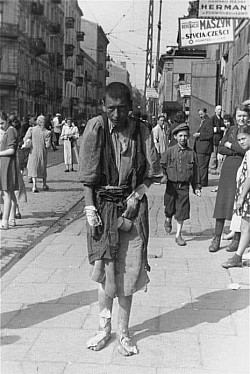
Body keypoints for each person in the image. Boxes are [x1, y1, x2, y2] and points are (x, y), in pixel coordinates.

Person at [78, 82, 160, 356]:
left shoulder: (142, 131)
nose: (116, 114)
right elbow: (88, 177)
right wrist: (90, 209)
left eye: (121, 108)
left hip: (133, 209)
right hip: (102, 208)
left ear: (131, 108)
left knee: (130, 271)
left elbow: (152, 173)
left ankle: (124, 332)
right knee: (105, 274)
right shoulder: (96, 128)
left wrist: (138, 195)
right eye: (110, 108)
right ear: (103, 106)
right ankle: (104, 329)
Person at [209, 104, 250, 253]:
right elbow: (220, 147)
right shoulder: (231, 130)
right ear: (235, 117)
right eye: (239, 115)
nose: (241, 118)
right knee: (222, 203)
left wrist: (230, 146)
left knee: (238, 204)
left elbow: (245, 148)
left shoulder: (249, 130)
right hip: (227, 170)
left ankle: (236, 239)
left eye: (244, 115)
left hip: (242, 169)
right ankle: (216, 238)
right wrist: (233, 147)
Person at [160, 123, 201, 246]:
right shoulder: (170, 151)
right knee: (169, 208)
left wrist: (197, 187)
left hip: (184, 187)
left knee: (182, 211)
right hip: (171, 186)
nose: (183, 138)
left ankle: (178, 235)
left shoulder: (191, 153)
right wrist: (164, 176)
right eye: (180, 136)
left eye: (185, 136)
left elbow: (196, 172)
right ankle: (168, 219)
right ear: (175, 137)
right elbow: (162, 165)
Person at [222, 124, 250, 268]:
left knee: (245, 227)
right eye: (239, 140)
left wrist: (241, 197)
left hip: (248, 197)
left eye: (244, 138)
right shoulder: (247, 153)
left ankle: (237, 257)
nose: (241, 142)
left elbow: (249, 177)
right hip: (245, 196)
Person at [0, 111, 19, 230]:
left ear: (7, 121)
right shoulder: (8, 131)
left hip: (7, 164)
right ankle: (12, 218)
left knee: (6, 194)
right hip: (5, 164)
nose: (0, 126)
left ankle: (4, 221)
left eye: (2, 123)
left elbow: (11, 150)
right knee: (10, 194)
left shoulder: (11, 131)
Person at [23, 115, 51, 193]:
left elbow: (25, 138)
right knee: (43, 168)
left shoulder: (31, 130)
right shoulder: (47, 132)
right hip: (42, 152)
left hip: (33, 152)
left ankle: (34, 186)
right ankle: (44, 184)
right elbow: (47, 145)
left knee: (33, 167)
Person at [193, 108, 214, 187]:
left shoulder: (208, 122)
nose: (200, 116)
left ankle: (202, 182)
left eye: (201, 114)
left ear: (205, 113)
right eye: (199, 114)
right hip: (201, 148)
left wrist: (199, 135)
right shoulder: (204, 121)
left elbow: (210, 134)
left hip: (204, 148)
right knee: (201, 165)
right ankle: (202, 181)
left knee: (202, 166)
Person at [208, 105, 224, 174]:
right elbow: (211, 129)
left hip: (220, 139)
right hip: (214, 139)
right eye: (218, 109)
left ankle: (218, 169)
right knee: (214, 155)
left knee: (219, 155)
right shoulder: (212, 119)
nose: (220, 111)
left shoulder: (221, 119)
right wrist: (220, 129)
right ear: (215, 110)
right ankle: (212, 168)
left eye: (220, 109)